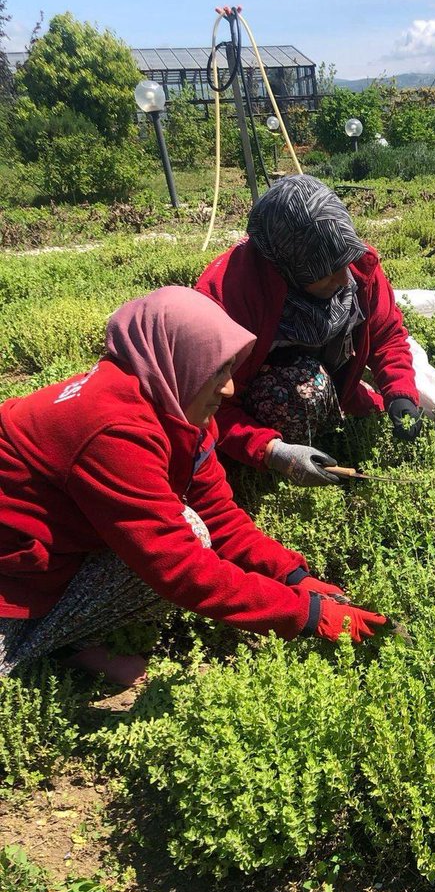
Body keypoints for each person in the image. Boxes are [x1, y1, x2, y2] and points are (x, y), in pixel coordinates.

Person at [0, 287, 388, 687]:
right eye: (216, 370)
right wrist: (305, 615)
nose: (230, 389)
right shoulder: (113, 430)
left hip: (58, 547)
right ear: (176, 357)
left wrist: (292, 576)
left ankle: (68, 639)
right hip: (13, 568)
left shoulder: (176, 401)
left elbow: (218, 515)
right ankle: (54, 643)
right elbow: (178, 568)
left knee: (192, 525)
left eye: (229, 369)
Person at [195, 173, 422, 486]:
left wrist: (400, 392)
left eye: (346, 261)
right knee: (298, 392)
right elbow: (206, 403)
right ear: (287, 266)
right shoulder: (229, 296)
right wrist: (271, 450)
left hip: (333, 388)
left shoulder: (354, 263)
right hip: (263, 402)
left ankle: (331, 415)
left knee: (314, 386)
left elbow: (387, 335)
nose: (345, 278)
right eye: (327, 273)